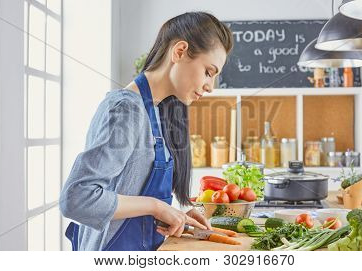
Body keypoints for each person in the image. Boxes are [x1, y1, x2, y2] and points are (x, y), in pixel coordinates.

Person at [59, 11, 233, 251]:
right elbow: (77, 198)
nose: (210, 87)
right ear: (179, 51)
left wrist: (177, 210)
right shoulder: (126, 109)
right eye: (208, 72)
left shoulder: (157, 110)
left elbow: (131, 184)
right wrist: (156, 206)